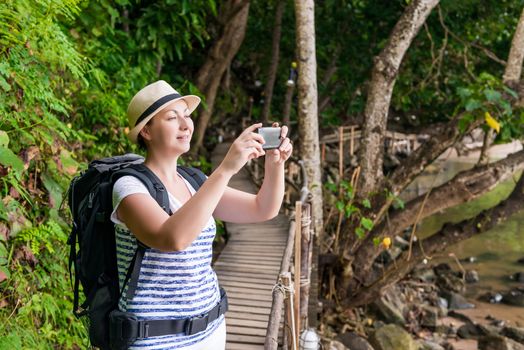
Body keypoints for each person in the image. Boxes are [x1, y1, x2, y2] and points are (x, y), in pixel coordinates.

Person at [110, 80, 292, 349]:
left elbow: (263, 209)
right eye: (172, 117)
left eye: (187, 115)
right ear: (146, 131)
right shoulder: (128, 187)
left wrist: (275, 164)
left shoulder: (195, 182)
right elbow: (173, 238)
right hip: (155, 338)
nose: (186, 124)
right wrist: (226, 169)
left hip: (212, 329)